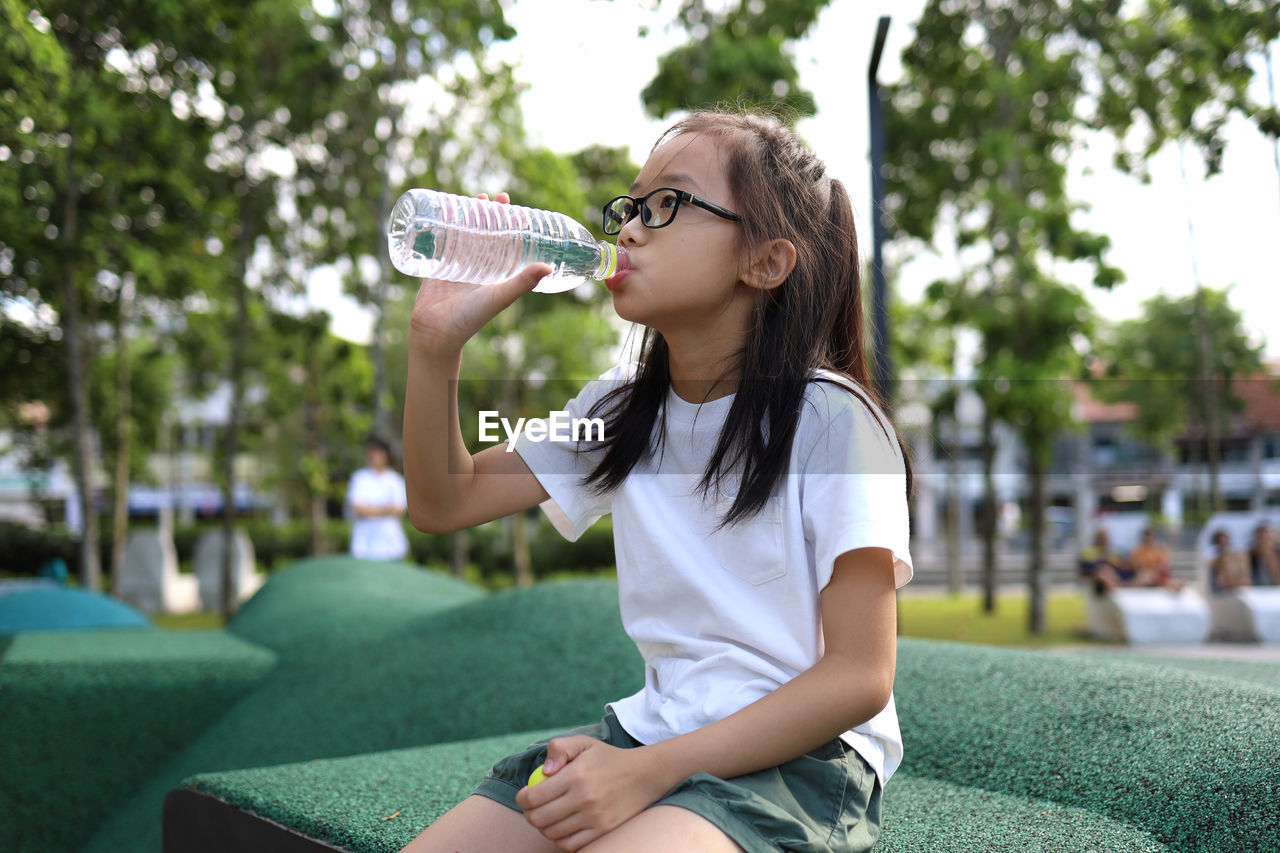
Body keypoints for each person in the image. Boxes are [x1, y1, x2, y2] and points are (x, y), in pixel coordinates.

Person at [398, 110, 912, 853]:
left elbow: (860, 676)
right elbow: (444, 500)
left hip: (799, 762)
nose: (630, 229)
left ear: (765, 262)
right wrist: (434, 346)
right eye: (630, 206)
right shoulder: (618, 407)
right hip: (649, 732)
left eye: (668, 204)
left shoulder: (832, 420)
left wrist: (646, 775)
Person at [345, 435, 409, 561]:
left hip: (392, 547)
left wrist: (371, 510)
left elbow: (400, 510)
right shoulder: (359, 478)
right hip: (363, 547)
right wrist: (386, 510)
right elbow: (357, 508)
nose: (373, 456)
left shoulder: (395, 480)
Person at [1126, 527, 1186, 592]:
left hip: (1156, 573)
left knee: (1158, 579)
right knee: (1147, 578)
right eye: (1147, 537)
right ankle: (1175, 585)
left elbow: (1164, 563)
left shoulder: (1159, 549)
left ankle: (1175, 584)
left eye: (1150, 537)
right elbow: (1134, 565)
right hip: (1144, 573)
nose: (1148, 539)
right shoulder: (1138, 550)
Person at [1248, 523, 1280, 587]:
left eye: (1264, 533)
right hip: (1261, 576)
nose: (1263, 536)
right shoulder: (1255, 547)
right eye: (1260, 534)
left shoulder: (1274, 546)